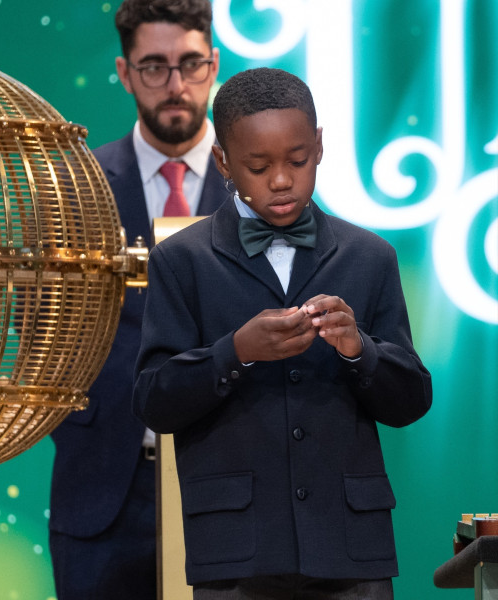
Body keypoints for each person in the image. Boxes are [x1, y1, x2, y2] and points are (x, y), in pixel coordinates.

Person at [133, 67, 433, 599]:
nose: (280, 180)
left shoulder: (370, 256)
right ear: (223, 161)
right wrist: (235, 352)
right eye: (257, 165)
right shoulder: (182, 261)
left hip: (349, 552)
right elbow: (154, 401)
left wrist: (360, 350)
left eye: (296, 160)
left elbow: (411, 400)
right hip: (235, 553)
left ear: (319, 147)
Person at [47, 1, 228, 598]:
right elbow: (40, 328)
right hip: (104, 489)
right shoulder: (77, 188)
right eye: (154, 67)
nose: (175, 85)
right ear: (125, 73)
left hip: (232, 485)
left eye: (190, 64)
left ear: (213, 64)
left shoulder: (262, 187)